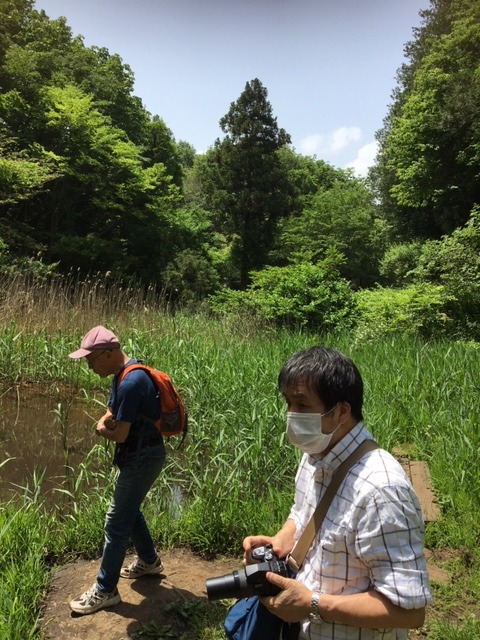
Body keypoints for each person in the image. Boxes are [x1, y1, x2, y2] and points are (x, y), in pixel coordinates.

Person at [243, 346, 432, 640]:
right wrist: (282, 540)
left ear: (341, 411)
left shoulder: (382, 490)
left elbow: (408, 611)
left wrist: (313, 604)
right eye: (288, 403)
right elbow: (302, 512)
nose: (292, 415)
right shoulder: (316, 453)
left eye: (302, 404)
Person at [68, 325, 166, 615]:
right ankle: (149, 561)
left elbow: (120, 435)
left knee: (116, 520)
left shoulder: (131, 382)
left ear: (109, 353)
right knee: (129, 511)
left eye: (91, 359)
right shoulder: (123, 374)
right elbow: (113, 411)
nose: (89, 366)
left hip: (143, 457)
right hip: (140, 454)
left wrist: (102, 430)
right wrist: (104, 419)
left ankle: (105, 589)